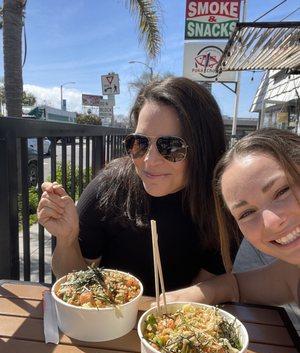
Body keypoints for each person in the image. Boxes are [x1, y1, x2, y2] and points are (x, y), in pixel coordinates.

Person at [37, 77, 232, 296]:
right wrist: (67, 240)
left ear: (204, 149)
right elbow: (71, 281)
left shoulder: (224, 204)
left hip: (182, 323)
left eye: (170, 146)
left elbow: (209, 287)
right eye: (140, 143)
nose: (149, 161)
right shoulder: (108, 189)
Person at [164, 128, 300, 306]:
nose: (271, 222)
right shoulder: (292, 273)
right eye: (247, 213)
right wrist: (199, 294)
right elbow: (234, 286)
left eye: (282, 191)